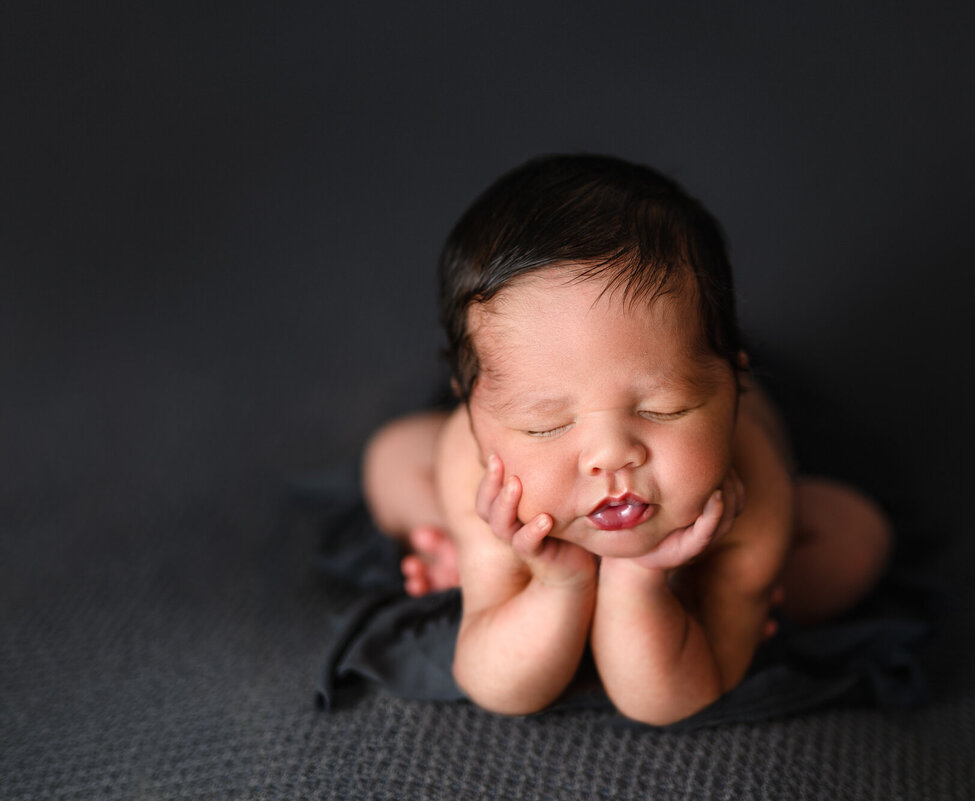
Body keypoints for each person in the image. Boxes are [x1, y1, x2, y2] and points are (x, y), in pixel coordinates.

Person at [360, 154, 892, 726]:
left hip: (705, 554)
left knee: (856, 541)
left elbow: (674, 698)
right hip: (516, 510)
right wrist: (560, 579)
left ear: (736, 385)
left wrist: (639, 578)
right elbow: (501, 687)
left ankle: (704, 602)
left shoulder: (753, 499)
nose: (612, 454)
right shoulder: (486, 476)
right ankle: (460, 554)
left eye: (665, 409)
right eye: (547, 424)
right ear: (475, 416)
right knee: (393, 458)